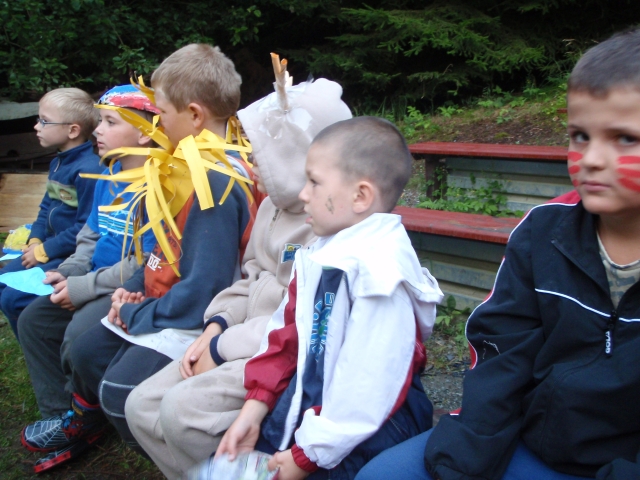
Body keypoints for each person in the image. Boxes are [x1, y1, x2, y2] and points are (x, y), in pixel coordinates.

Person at [355, 28, 640, 480]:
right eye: (580, 136)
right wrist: (463, 462)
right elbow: (503, 355)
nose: (591, 158)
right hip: (533, 441)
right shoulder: (544, 234)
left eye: (625, 139)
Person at [126, 62, 353, 478]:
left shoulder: (325, 224)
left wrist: (220, 347)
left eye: (260, 150)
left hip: (274, 348)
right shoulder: (272, 206)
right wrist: (216, 325)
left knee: (181, 412)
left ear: (293, 154)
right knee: (140, 406)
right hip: (239, 333)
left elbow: (296, 319)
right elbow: (250, 277)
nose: (250, 158)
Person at [55, 43, 255, 466]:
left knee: (117, 391)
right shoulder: (184, 167)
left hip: (194, 319)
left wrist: (135, 312)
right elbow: (162, 248)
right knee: (87, 353)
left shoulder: (212, 182)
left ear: (195, 115)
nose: (156, 121)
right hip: (163, 301)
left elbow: (204, 289)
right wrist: (133, 285)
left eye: (160, 112)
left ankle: (192, 463)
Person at [216, 116, 443, 480]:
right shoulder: (324, 252)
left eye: (314, 182)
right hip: (317, 405)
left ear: (360, 196)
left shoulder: (381, 275)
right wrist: (255, 407)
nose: (303, 194)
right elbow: (286, 334)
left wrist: (307, 455)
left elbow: (368, 386)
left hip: (371, 428)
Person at [18, 85, 160, 473]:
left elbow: (144, 264)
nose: (97, 129)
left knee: (77, 334)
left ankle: (87, 417)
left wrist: (83, 287)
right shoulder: (108, 174)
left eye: (110, 122)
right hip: (92, 278)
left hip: (126, 289)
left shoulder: (159, 186)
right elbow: (89, 237)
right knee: (33, 320)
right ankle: (63, 414)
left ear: (144, 134)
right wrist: (68, 271)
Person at [0, 88, 102, 338]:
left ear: (73, 130)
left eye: (44, 121)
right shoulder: (57, 162)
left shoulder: (88, 171)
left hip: (69, 254)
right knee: (3, 281)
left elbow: (85, 227)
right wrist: (35, 239)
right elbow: (46, 206)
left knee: (13, 298)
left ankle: (44, 340)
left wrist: (44, 251)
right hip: (46, 247)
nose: (36, 126)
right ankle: (31, 339)